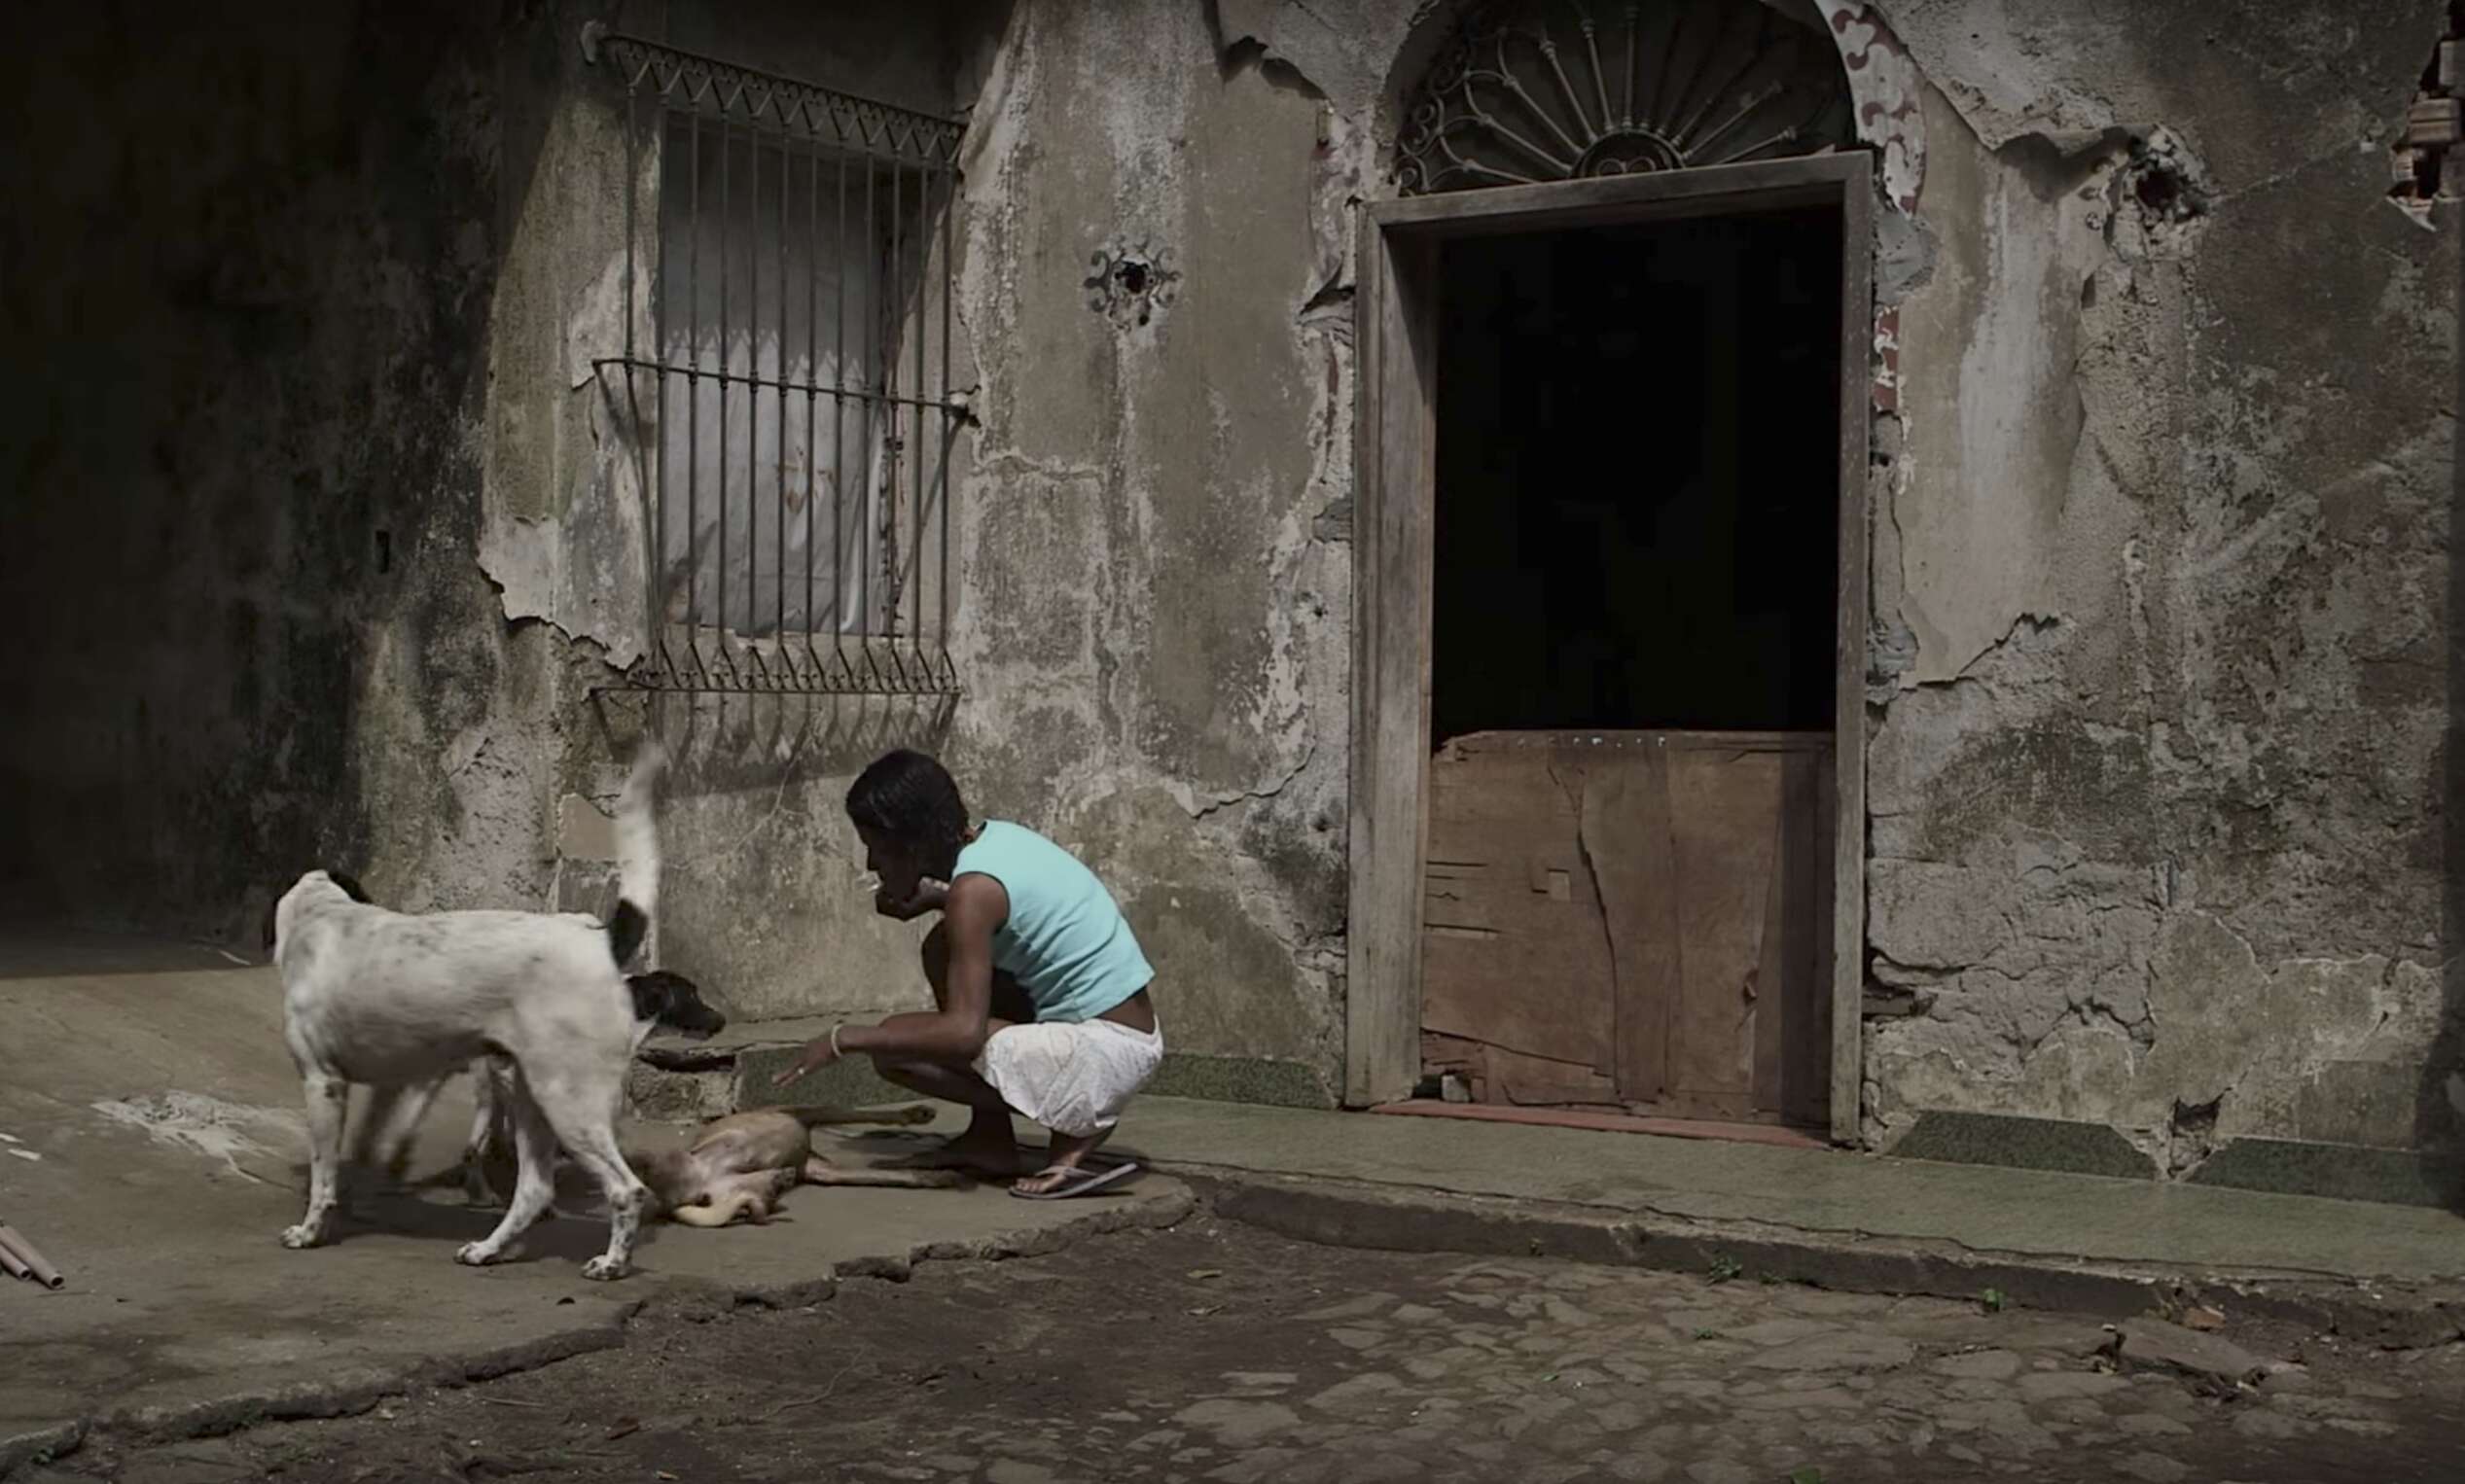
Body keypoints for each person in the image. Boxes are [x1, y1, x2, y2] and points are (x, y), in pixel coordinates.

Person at [772, 749, 1163, 1198]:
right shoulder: (996, 841)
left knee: (895, 1047)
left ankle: (1077, 1122)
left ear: (912, 844)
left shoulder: (971, 893)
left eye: (876, 849)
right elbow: (1014, 915)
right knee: (943, 947)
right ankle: (990, 1140)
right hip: (1130, 1038)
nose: (870, 865)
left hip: (1103, 1056)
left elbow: (963, 1036)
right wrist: (937, 900)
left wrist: (844, 1038)